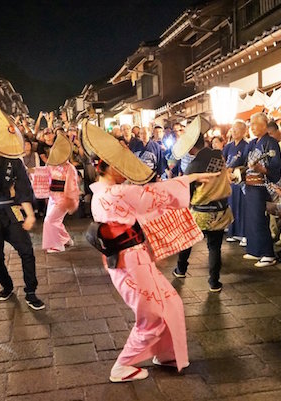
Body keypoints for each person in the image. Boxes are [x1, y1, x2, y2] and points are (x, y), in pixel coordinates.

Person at [83, 121, 215, 382]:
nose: (125, 171)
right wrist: (189, 178)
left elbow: (147, 195)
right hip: (128, 261)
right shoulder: (114, 193)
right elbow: (153, 194)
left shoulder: (107, 192)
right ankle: (122, 366)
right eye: (120, 166)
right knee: (152, 315)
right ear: (107, 167)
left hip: (134, 258)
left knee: (172, 303)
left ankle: (166, 354)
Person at [0, 107, 44, 310]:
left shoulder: (15, 162)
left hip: (11, 212)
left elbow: (23, 190)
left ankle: (30, 291)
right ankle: (7, 285)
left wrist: (29, 214)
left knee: (27, 250)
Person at [170, 117, 233, 291]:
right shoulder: (219, 156)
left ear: (192, 147)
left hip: (199, 213)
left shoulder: (193, 166)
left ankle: (181, 269)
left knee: (187, 241)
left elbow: (187, 192)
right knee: (215, 247)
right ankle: (214, 282)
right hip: (220, 211)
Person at [236, 113, 281, 267]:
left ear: (264, 125)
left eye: (255, 124)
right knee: (251, 218)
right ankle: (255, 249)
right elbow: (243, 160)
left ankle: (268, 253)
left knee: (259, 218)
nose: (253, 127)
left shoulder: (271, 143)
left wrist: (263, 169)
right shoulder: (252, 143)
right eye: (251, 124)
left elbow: (276, 165)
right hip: (250, 185)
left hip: (261, 185)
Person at [42, 133, 79, 253]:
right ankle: (65, 239)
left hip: (64, 197)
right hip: (53, 196)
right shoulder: (52, 165)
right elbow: (43, 173)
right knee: (54, 220)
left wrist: (69, 200)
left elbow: (72, 186)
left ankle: (57, 245)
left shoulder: (70, 168)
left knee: (50, 220)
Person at [223, 121, 248, 245]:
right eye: (233, 129)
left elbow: (247, 163)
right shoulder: (228, 146)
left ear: (244, 131)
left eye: (237, 130)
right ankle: (233, 232)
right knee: (231, 206)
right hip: (230, 180)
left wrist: (234, 170)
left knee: (242, 207)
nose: (234, 132)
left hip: (241, 179)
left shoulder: (246, 145)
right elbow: (223, 160)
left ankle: (244, 234)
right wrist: (226, 171)